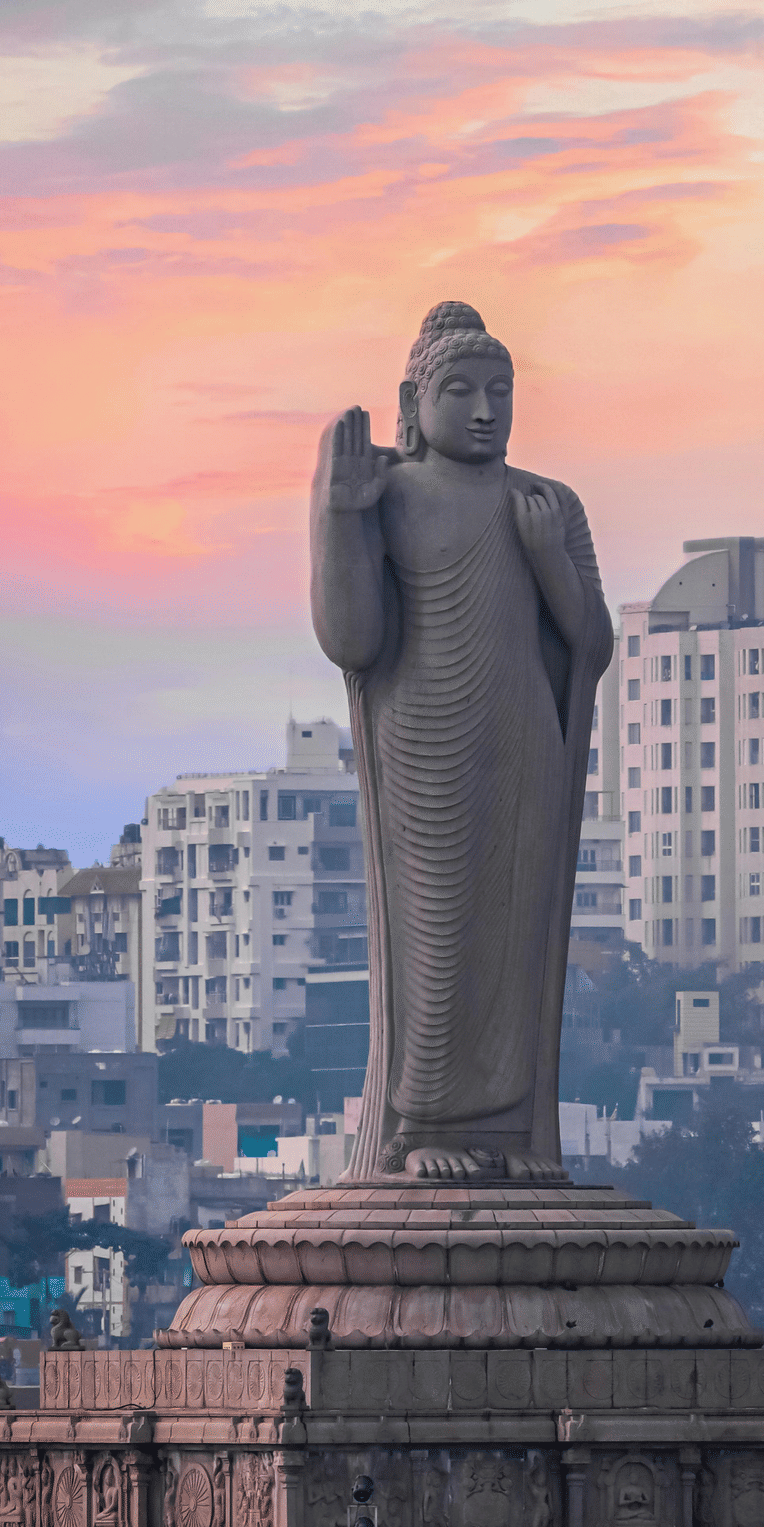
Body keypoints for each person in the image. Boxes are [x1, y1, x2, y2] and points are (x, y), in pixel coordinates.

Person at [311, 303, 612, 1183]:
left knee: (511, 935)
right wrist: (339, 519)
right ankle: (423, 1126)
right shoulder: (392, 493)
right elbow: (353, 639)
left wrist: (550, 556)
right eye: (461, 390)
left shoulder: (549, 502)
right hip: (425, 735)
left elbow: (590, 644)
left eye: (501, 391)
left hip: (523, 735)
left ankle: (508, 1132)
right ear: (414, 397)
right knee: (436, 931)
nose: (485, 409)